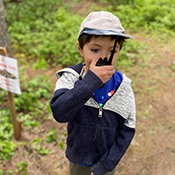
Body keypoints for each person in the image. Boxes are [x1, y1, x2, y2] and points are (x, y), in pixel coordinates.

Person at [50, 11, 136, 175]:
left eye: (112, 50)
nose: (104, 58)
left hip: (106, 161)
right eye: (95, 50)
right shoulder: (70, 78)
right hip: (78, 157)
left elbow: (128, 128)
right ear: (80, 48)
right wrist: (90, 82)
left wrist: (107, 163)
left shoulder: (123, 86)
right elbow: (60, 112)